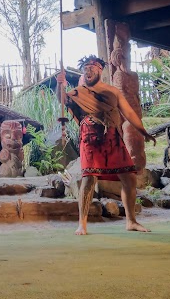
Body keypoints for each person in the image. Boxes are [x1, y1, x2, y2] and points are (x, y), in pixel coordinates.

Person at [57, 55, 156, 235]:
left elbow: (129, 113)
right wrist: (60, 84)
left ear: (100, 70)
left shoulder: (113, 91)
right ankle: (82, 224)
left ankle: (131, 221)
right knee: (88, 179)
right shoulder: (78, 92)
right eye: (85, 69)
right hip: (90, 137)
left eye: (91, 69)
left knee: (129, 178)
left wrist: (143, 131)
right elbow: (62, 100)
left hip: (113, 137)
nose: (88, 72)